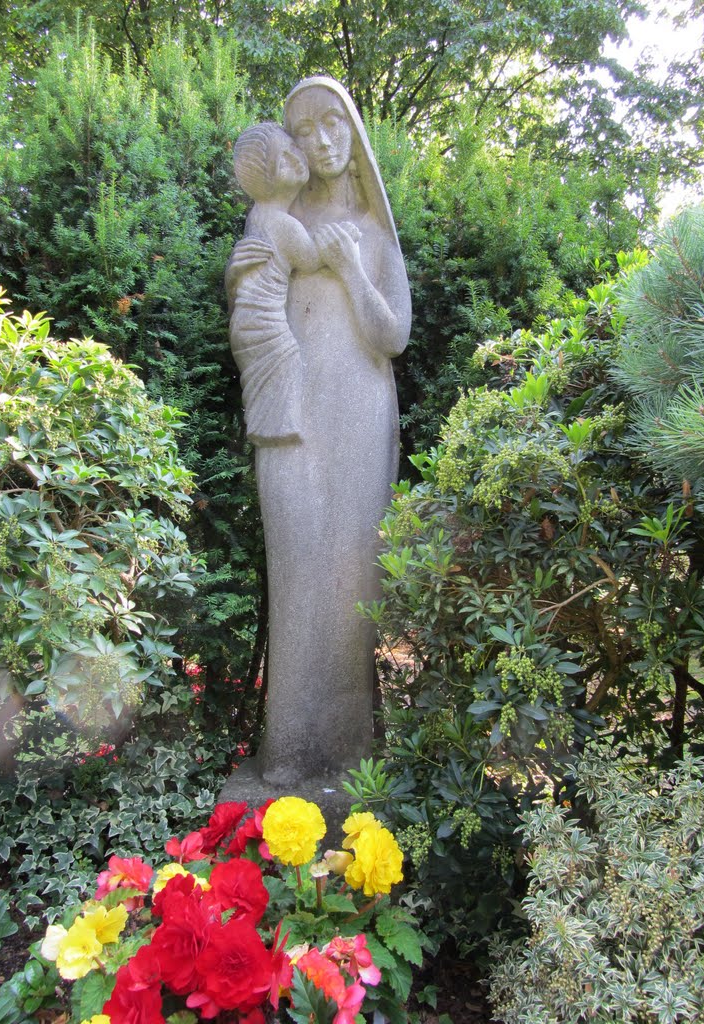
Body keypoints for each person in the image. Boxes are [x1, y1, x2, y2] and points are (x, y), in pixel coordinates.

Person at [230, 78, 411, 787]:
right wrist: (236, 277)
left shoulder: (370, 230)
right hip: (292, 416)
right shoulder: (275, 223)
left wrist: (350, 270)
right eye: (304, 130)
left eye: (334, 123)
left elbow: (391, 334)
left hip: (360, 416)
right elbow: (254, 315)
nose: (323, 140)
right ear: (291, 146)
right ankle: (287, 753)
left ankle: (348, 758)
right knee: (298, 569)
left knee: (350, 576)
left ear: (354, 132)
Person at [228, 122, 360, 447]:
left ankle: (271, 423)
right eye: (285, 158)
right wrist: (342, 240)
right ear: (268, 178)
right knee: (285, 359)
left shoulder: (256, 218)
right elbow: (313, 259)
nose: (298, 156)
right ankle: (278, 425)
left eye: (292, 148)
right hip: (264, 327)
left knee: (272, 373)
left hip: (243, 325)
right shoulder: (283, 224)